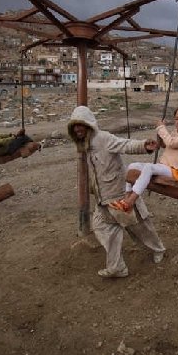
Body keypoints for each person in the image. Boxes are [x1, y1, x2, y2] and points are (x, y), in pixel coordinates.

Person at [67, 105, 166, 278]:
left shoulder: (103, 138)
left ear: (88, 124)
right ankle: (117, 267)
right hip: (103, 199)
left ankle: (158, 249)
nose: (77, 129)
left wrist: (144, 146)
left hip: (120, 195)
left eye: (80, 125)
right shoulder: (85, 144)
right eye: (74, 126)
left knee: (139, 227)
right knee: (101, 227)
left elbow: (125, 144)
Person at [112, 103, 178, 212]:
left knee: (149, 167)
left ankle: (131, 201)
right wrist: (159, 136)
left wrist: (161, 128)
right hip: (163, 167)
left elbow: (171, 143)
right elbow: (164, 144)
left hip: (175, 171)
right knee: (133, 165)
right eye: (176, 119)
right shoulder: (176, 132)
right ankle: (126, 198)